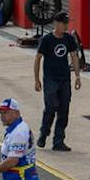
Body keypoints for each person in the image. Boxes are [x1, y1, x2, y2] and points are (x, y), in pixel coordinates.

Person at [33, 12, 82, 151]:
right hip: (50, 79)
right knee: (51, 107)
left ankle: (59, 140)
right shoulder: (47, 40)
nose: (66, 26)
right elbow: (38, 59)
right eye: (63, 23)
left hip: (64, 79)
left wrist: (77, 76)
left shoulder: (69, 39)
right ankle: (44, 132)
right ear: (56, 23)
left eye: (67, 23)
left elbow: (74, 56)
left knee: (64, 110)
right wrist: (36, 80)